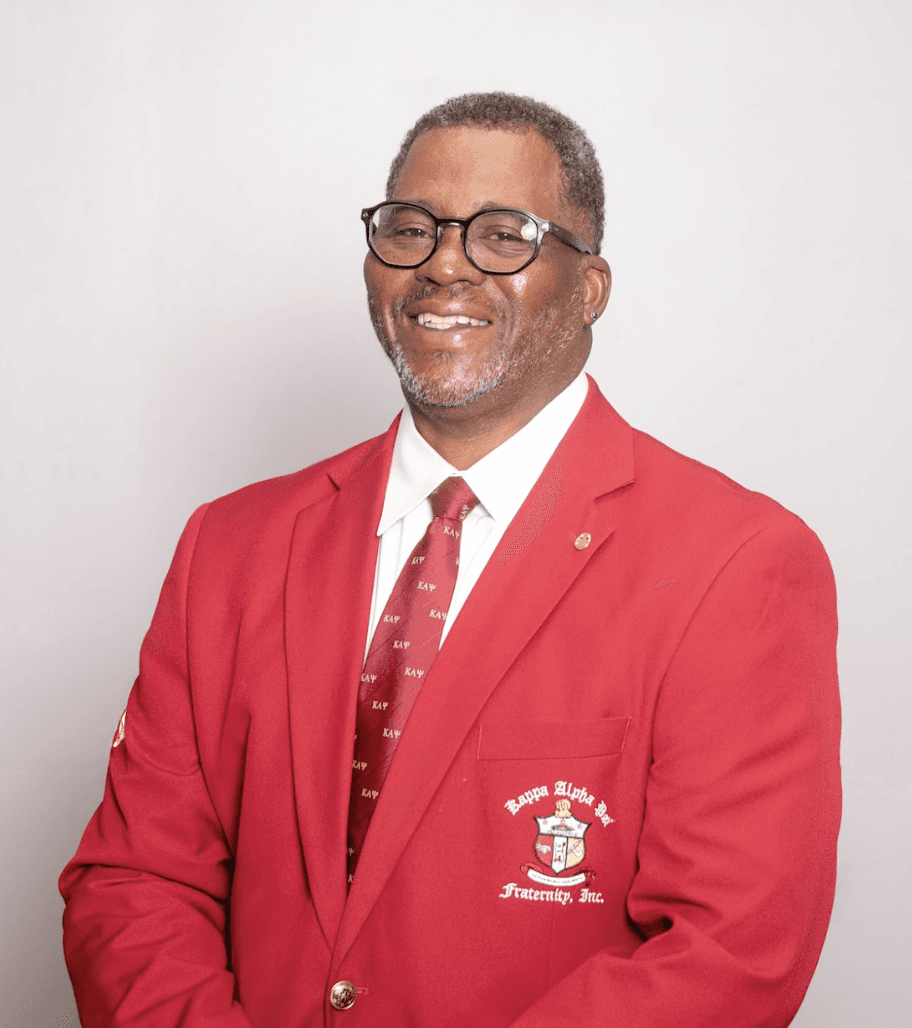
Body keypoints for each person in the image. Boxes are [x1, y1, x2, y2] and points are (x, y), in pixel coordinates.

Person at [60, 92, 841, 1028]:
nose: (443, 264)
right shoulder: (229, 548)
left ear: (590, 287)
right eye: (411, 228)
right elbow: (134, 884)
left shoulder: (735, 562)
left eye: (503, 235)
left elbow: (729, 952)